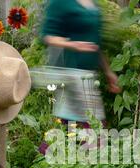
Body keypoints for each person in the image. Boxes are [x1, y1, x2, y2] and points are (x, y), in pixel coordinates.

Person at [38, 0, 121, 154]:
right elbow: (48, 36)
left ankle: (45, 159)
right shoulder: (60, 3)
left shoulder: (93, 4)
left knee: (68, 124)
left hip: (87, 75)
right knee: (95, 127)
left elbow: (96, 44)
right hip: (70, 72)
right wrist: (73, 44)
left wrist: (108, 71)